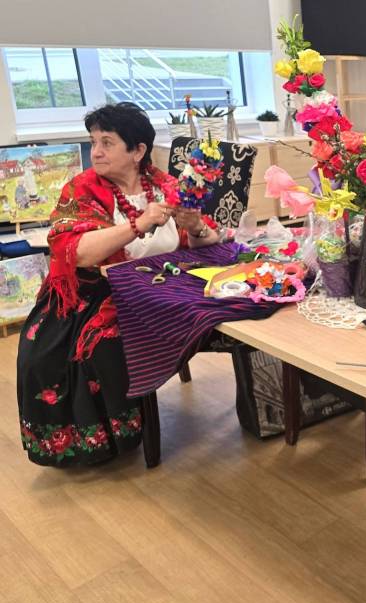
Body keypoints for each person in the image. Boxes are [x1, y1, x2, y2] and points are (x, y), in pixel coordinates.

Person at [16, 102, 220, 467]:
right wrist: (138, 224)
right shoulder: (81, 188)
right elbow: (77, 252)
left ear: (138, 151)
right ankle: (102, 440)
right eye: (93, 141)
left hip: (165, 288)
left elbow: (209, 245)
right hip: (96, 291)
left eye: (107, 142)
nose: (95, 151)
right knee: (75, 349)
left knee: (228, 309)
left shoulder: (166, 186)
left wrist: (195, 226)